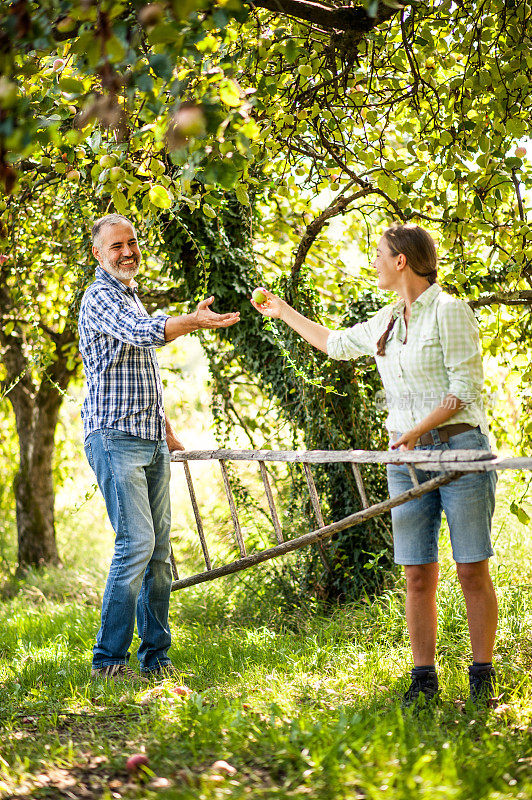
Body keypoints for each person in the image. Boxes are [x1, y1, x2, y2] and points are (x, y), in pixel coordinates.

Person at [251, 222, 498, 707]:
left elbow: (464, 389)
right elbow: (337, 345)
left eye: (379, 254)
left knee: (471, 567)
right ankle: (423, 679)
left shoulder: (450, 312)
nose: (375, 262)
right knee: (416, 572)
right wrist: (283, 312)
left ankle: (482, 676)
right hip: (405, 461)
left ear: (401, 260)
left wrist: (418, 429)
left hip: (460, 450)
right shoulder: (386, 320)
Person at [79, 213, 240, 683]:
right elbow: (145, 334)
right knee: (136, 545)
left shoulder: (128, 296)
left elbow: (139, 372)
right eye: (116, 246)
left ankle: (156, 658)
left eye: (132, 242)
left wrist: (165, 429)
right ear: (98, 253)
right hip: (114, 439)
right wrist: (192, 319)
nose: (128, 251)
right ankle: (108, 662)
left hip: (149, 442)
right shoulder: (100, 297)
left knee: (158, 554)